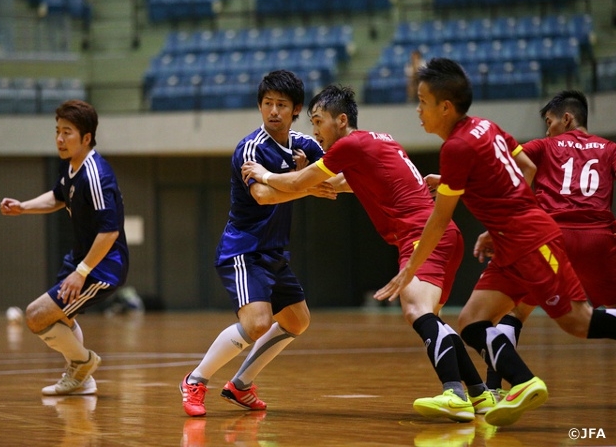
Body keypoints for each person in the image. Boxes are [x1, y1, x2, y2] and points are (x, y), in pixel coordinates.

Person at [374, 57, 616, 427]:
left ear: (446, 106)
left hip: (531, 240)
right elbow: (528, 170)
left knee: (577, 323)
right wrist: (498, 221)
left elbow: (438, 222)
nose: (418, 109)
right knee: (471, 321)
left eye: (422, 101)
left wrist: (409, 269)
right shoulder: (487, 126)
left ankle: (519, 381)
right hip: (511, 242)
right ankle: (522, 382)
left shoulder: (455, 149)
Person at [242, 84, 496, 423]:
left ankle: (454, 394)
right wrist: (300, 178)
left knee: (416, 310)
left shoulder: (348, 144)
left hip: (422, 235)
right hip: (439, 235)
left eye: (318, 121)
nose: (314, 130)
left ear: (341, 120)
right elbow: (345, 183)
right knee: (431, 318)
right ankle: (479, 393)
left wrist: (266, 174)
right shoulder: (378, 140)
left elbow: (303, 183)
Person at [179, 70, 337, 417]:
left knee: (297, 320)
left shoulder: (304, 145)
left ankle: (241, 385)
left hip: (274, 252)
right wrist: (306, 184)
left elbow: (339, 176)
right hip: (244, 249)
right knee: (257, 323)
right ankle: (195, 379)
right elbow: (264, 195)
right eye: (267, 104)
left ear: (296, 109)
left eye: (282, 104)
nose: (274, 111)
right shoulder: (250, 148)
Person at [485, 90, 616, 393]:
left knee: (517, 311)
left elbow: (503, 166)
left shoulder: (545, 146)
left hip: (551, 240)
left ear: (567, 118)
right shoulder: (609, 149)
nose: (547, 129)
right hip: (599, 239)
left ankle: (493, 388)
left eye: (549, 121)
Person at [0, 99, 129, 396]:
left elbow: (110, 231)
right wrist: (23, 207)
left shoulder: (96, 175)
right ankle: (82, 378)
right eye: (57, 131)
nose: (59, 138)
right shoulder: (73, 166)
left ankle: (82, 363)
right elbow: (59, 196)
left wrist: (82, 272)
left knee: (36, 316)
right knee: (61, 317)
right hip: (81, 260)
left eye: (67, 132)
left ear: (86, 137)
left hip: (103, 267)